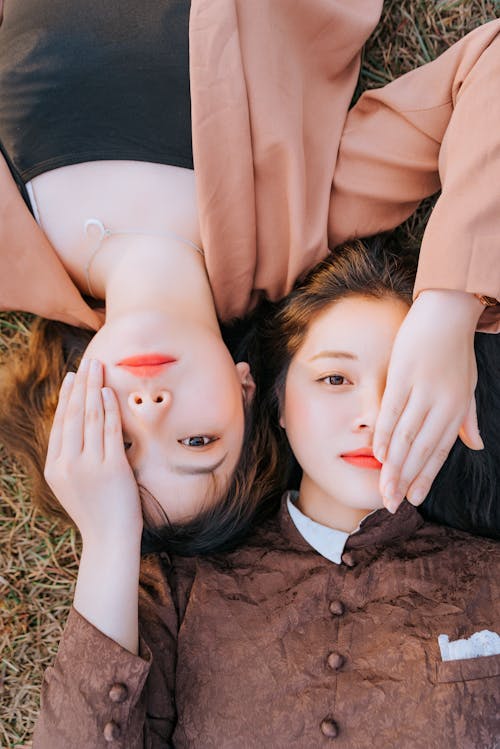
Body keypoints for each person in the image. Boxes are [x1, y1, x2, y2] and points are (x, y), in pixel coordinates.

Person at [1, 3, 500, 543]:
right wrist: (450, 307)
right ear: (246, 390)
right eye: (198, 442)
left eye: (118, 443)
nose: (150, 411)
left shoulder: (16, 258)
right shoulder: (305, 224)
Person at [33, 238, 500, 748]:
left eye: (408, 382)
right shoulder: (180, 591)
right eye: (335, 377)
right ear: (278, 403)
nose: (376, 413)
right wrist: (109, 541)